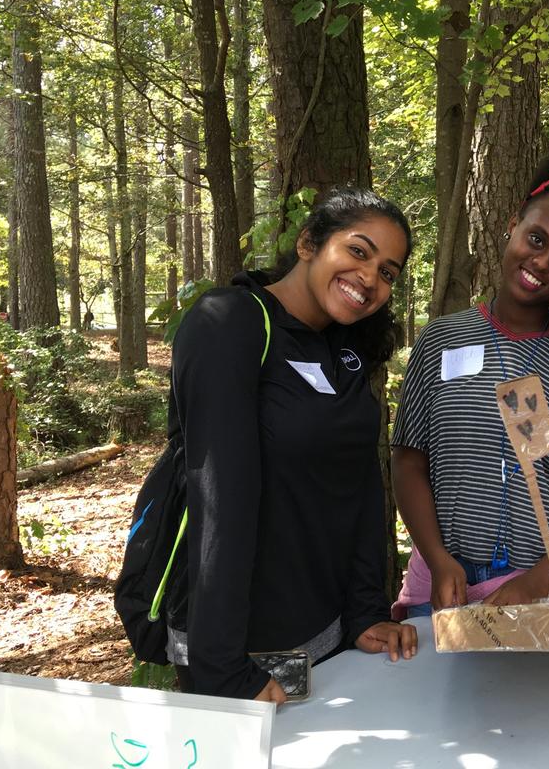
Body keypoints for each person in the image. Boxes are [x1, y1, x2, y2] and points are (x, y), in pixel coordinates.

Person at [165, 188, 418, 702]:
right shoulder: (229, 323)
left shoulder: (345, 350)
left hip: (323, 629)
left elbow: (362, 487)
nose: (371, 278)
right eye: (359, 251)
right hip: (247, 647)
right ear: (308, 243)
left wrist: (365, 612)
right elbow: (219, 500)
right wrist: (224, 670)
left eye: (388, 272)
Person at [392, 151, 549, 617]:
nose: (542, 262)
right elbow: (410, 460)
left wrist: (537, 580)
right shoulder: (442, 339)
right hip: (444, 585)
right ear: (513, 223)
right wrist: (437, 557)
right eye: (536, 238)